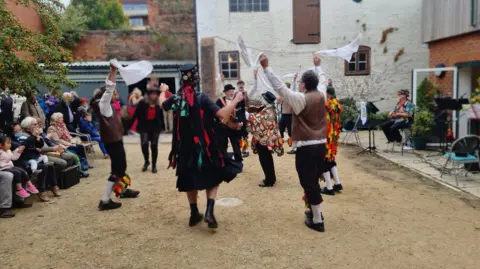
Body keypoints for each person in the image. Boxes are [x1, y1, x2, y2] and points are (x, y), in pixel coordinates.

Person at [160, 63, 243, 229]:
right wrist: (235, 101)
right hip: (203, 148)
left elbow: (163, 104)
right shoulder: (201, 98)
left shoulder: (176, 99)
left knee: (189, 179)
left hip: (184, 149)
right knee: (213, 177)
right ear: (195, 78)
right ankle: (209, 211)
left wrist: (163, 90)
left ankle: (193, 213)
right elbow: (221, 115)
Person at [260, 53, 328, 232]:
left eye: (300, 83)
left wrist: (266, 68)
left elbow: (280, 88)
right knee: (313, 181)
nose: (299, 85)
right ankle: (315, 213)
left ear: (304, 85)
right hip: (322, 145)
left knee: (309, 183)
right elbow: (322, 79)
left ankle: (317, 220)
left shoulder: (300, 99)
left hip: (307, 147)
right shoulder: (322, 94)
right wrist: (318, 66)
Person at [90, 60, 140, 211]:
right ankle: (105, 200)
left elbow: (108, 87)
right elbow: (109, 88)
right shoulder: (103, 105)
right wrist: (113, 71)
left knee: (121, 167)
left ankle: (122, 191)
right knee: (117, 170)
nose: (115, 94)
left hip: (114, 140)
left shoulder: (102, 104)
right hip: (113, 142)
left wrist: (113, 71)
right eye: (113, 93)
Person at [16, 117, 61, 202]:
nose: (37, 126)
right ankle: (42, 190)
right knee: (43, 166)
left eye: (37, 124)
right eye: (35, 124)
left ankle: (53, 185)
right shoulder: (22, 136)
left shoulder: (35, 135)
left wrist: (38, 139)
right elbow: (26, 149)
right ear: (28, 126)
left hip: (36, 157)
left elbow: (40, 146)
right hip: (26, 160)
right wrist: (35, 139)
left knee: (49, 164)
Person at [130, 87, 165, 173]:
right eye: (151, 94)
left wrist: (163, 127)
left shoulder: (158, 104)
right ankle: (146, 161)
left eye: (155, 94)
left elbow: (161, 116)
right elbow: (135, 115)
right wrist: (128, 126)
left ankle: (154, 165)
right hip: (144, 126)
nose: (153, 96)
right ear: (148, 95)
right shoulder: (142, 103)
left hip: (155, 127)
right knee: (144, 144)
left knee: (154, 145)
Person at [320, 86, 344, 196]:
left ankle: (329, 187)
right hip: (334, 136)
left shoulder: (326, 104)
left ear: (328, 94)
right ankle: (337, 183)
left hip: (326, 135)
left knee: (324, 160)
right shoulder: (337, 103)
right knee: (331, 159)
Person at [216, 84, 245, 161]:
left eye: (232, 91)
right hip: (223, 126)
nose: (231, 93)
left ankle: (238, 161)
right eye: (229, 91)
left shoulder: (237, 101)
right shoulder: (220, 101)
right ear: (225, 92)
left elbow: (242, 112)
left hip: (234, 126)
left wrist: (241, 121)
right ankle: (224, 161)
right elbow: (217, 112)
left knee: (236, 145)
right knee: (223, 144)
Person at [237, 80, 250, 158]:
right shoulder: (235, 94)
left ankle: (245, 150)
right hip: (238, 115)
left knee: (245, 134)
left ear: (244, 85)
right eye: (239, 84)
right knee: (238, 134)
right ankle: (238, 149)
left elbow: (248, 103)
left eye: (242, 84)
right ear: (238, 85)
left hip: (245, 114)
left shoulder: (246, 94)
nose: (241, 85)